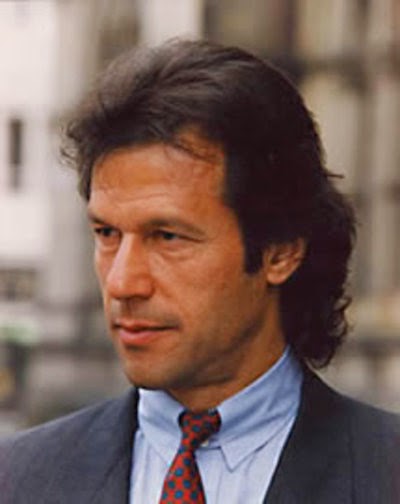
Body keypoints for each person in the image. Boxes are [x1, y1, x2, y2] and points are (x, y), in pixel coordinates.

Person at [0, 39, 399, 504]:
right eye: (107, 233)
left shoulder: (383, 473)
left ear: (281, 251)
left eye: (168, 237)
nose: (122, 282)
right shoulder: (19, 478)